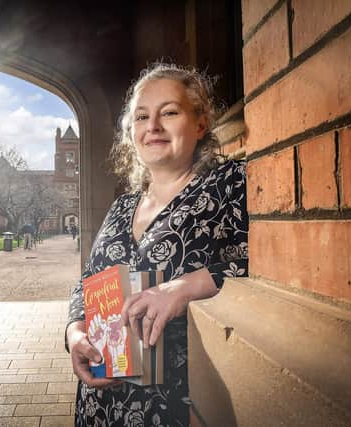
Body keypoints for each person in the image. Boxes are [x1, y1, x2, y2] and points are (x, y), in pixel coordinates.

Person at [65, 63, 248, 426]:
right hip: (101, 404)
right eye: (142, 116)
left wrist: (184, 286)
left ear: (200, 123)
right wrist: (74, 332)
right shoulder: (122, 206)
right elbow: (87, 280)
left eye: (169, 112)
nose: (153, 126)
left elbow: (263, 265)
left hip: (176, 406)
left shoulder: (230, 184)